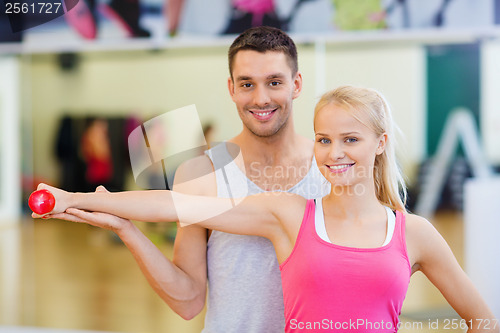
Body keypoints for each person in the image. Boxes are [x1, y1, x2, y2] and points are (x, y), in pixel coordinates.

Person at [34, 85, 498, 332]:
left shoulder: (413, 233)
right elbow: (181, 203)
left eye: (350, 139)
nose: (334, 152)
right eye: (324, 139)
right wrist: (80, 199)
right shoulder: (289, 214)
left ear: (380, 144)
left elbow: (483, 321)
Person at [44, 26, 329, 332]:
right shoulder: (202, 173)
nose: (261, 98)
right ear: (231, 88)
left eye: (274, 82)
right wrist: (125, 228)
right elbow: (188, 300)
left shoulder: (332, 167)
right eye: (247, 84)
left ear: (296, 84)